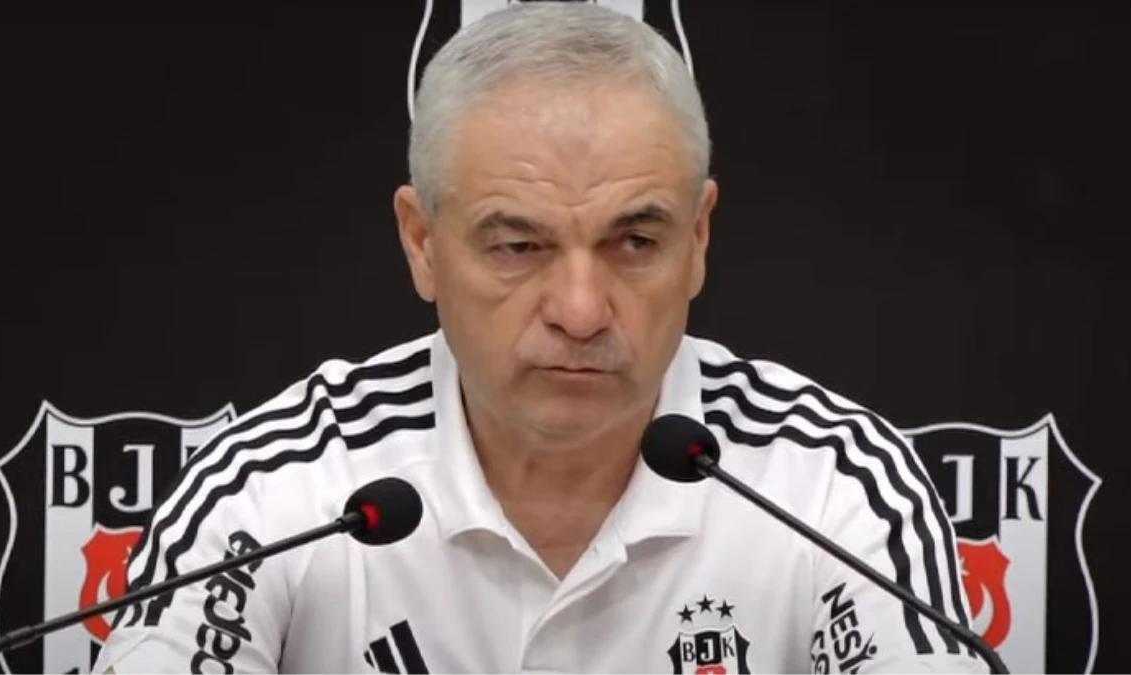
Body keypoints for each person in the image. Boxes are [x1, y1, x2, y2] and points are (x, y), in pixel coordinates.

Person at [96, 4, 984, 673]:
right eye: (518, 247)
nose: (582, 310)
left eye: (635, 242)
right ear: (421, 243)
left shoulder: (833, 485)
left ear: (699, 237)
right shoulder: (276, 490)